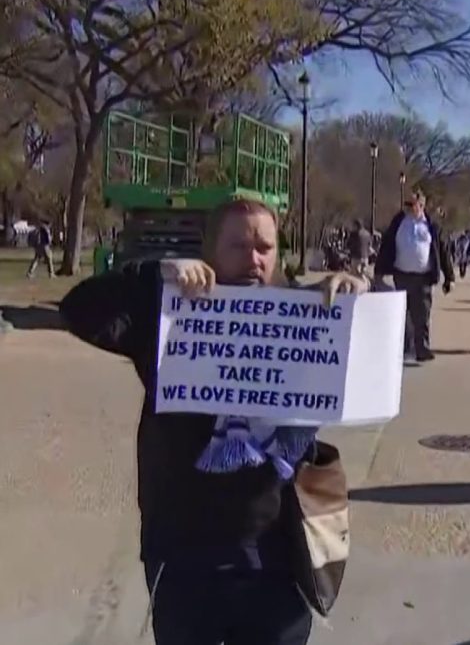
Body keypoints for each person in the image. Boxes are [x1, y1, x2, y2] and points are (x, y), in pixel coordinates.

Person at [58, 199, 368, 645]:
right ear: (210, 253)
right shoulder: (166, 316)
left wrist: (356, 292)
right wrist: (156, 272)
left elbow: (375, 356)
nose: (253, 258)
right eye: (238, 245)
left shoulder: (307, 309)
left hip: (279, 554)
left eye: (264, 246)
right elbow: (78, 309)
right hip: (185, 556)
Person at [375, 188, 455, 364]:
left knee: (422, 315)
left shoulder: (431, 226)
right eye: (406, 204)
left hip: (423, 278)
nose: (408, 208)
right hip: (401, 275)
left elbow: (443, 251)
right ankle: (404, 348)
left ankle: (422, 348)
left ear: (421, 205)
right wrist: (379, 271)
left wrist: (450, 277)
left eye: (412, 204)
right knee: (403, 314)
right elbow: (386, 245)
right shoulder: (398, 222)